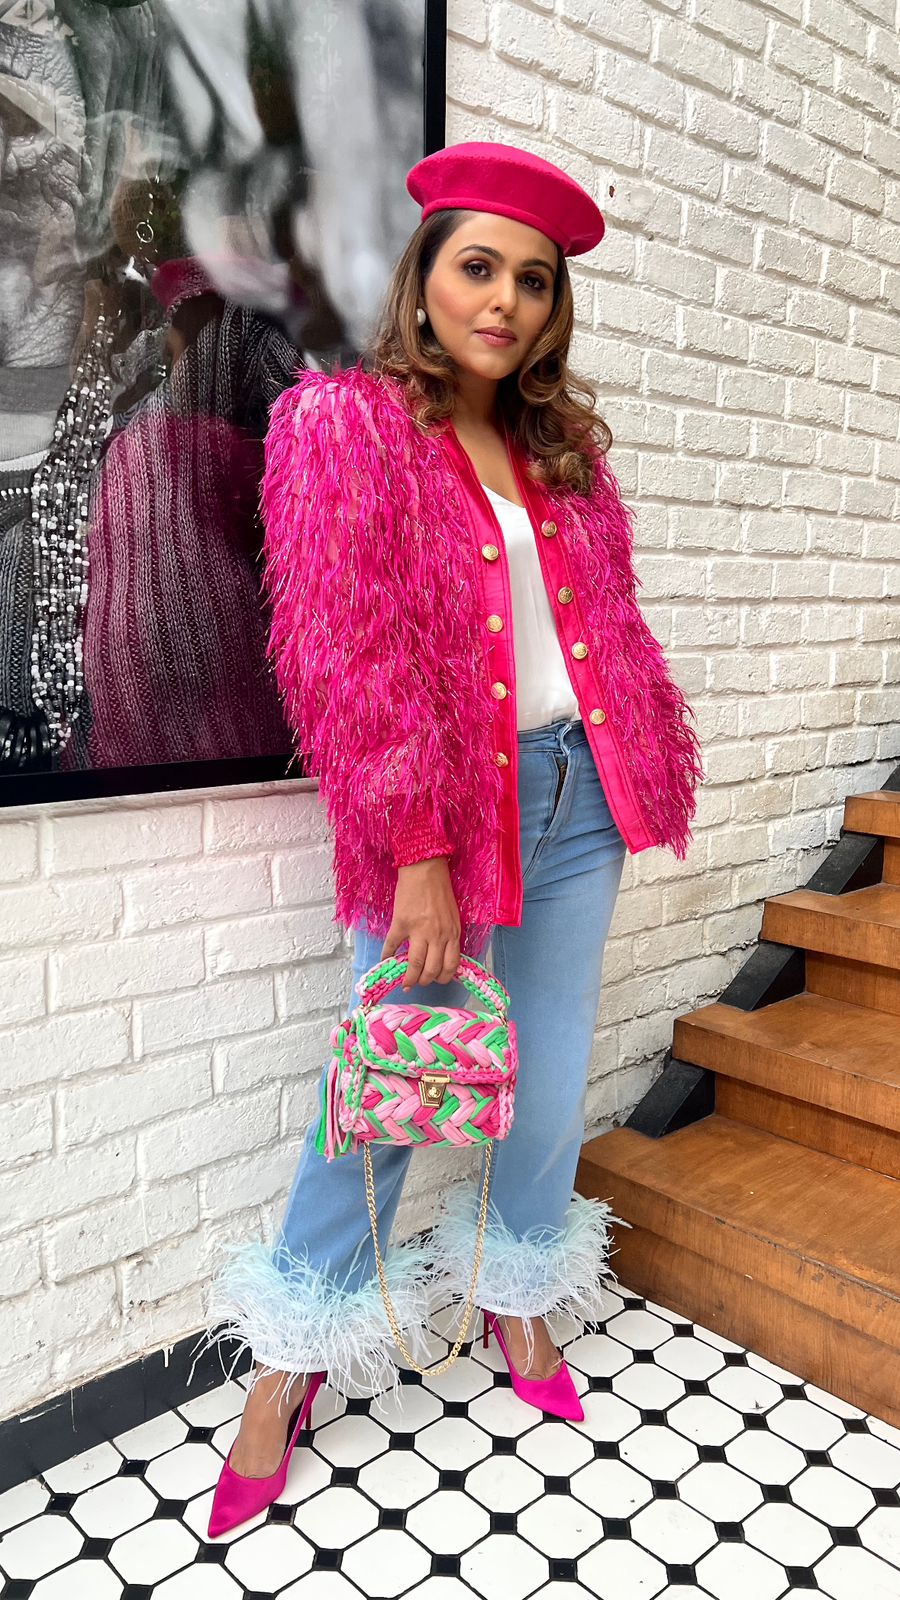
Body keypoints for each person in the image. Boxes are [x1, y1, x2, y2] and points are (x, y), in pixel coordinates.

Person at [199, 140, 704, 1538]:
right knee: (391, 1086)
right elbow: (345, 660)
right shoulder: (343, 426)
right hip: (441, 809)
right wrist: (419, 852)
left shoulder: (562, 449)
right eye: (479, 268)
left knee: (544, 1083)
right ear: (423, 275)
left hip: (582, 795)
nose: (506, 302)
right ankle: (288, 1359)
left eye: (534, 282)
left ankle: (516, 1290)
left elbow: (602, 626)